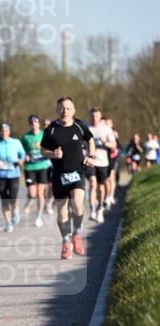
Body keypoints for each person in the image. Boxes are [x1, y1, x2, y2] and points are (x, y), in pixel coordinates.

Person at [41, 97, 96, 259]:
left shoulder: (79, 125)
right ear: (57, 110)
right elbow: (43, 150)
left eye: (68, 108)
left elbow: (91, 140)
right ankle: (66, 241)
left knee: (78, 205)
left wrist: (91, 156)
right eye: (62, 108)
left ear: (74, 111)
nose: (65, 111)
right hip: (59, 176)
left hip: (77, 172)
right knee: (62, 213)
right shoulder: (50, 129)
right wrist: (52, 154)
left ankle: (76, 234)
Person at [0, 123, 25, 231]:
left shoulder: (15, 142)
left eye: (6, 130)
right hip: (1, 175)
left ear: (9, 131)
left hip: (13, 174)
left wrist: (21, 160)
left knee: (13, 198)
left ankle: (15, 211)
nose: (4, 132)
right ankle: (8, 222)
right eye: (2, 130)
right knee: (4, 200)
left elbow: (22, 154)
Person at [87, 107, 116, 222]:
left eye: (96, 116)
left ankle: (100, 210)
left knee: (101, 188)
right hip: (90, 161)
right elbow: (80, 143)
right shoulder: (87, 129)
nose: (94, 118)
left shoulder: (106, 129)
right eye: (92, 116)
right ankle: (92, 210)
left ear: (100, 116)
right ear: (90, 116)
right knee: (92, 184)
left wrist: (105, 143)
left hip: (103, 162)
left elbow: (113, 144)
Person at [20, 114, 51, 225]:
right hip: (30, 167)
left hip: (42, 166)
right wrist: (25, 155)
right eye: (31, 122)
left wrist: (47, 154)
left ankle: (38, 217)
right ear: (29, 124)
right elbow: (21, 151)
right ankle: (30, 200)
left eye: (36, 122)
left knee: (39, 193)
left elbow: (51, 147)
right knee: (32, 193)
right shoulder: (25, 137)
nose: (34, 124)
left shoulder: (44, 135)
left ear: (39, 123)